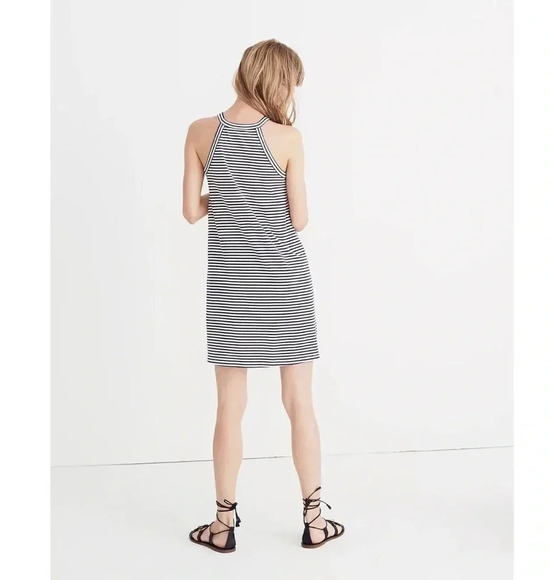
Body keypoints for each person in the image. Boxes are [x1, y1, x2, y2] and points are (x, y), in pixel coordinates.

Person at [182, 39, 345, 553]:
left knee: (229, 407)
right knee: (299, 402)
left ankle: (222, 525)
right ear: (278, 82)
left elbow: (191, 211)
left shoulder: (200, 132)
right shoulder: (287, 137)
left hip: (230, 288)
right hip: (284, 283)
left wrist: (229, 194)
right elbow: (299, 218)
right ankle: (314, 521)